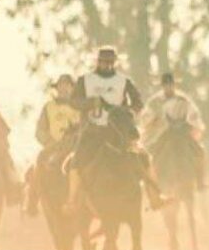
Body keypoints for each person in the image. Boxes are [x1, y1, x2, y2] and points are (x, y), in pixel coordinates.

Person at [66, 46, 172, 212]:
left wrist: (126, 111)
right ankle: (72, 201)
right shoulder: (84, 81)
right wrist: (90, 103)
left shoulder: (124, 81)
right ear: (97, 62)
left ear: (115, 63)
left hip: (119, 132)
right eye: (104, 62)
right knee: (75, 161)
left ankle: (155, 197)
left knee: (144, 158)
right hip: (92, 130)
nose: (107, 65)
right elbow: (73, 101)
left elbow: (138, 103)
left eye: (110, 62)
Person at [25, 74, 83, 215]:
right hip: (56, 145)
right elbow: (39, 130)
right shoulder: (49, 107)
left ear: (73, 88)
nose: (64, 89)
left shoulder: (82, 106)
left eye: (67, 86)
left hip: (79, 144)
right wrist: (49, 141)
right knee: (39, 161)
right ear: (56, 89)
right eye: (61, 86)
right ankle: (32, 201)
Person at [142, 72, 209, 190]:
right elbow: (145, 118)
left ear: (174, 85)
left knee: (200, 151)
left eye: (170, 84)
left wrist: (192, 125)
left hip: (182, 133)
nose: (168, 87)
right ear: (162, 86)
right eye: (166, 85)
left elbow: (194, 115)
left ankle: (200, 181)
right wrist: (154, 122)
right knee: (150, 156)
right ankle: (151, 186)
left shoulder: (183, 99)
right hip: (161, 134)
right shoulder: (155, 101)